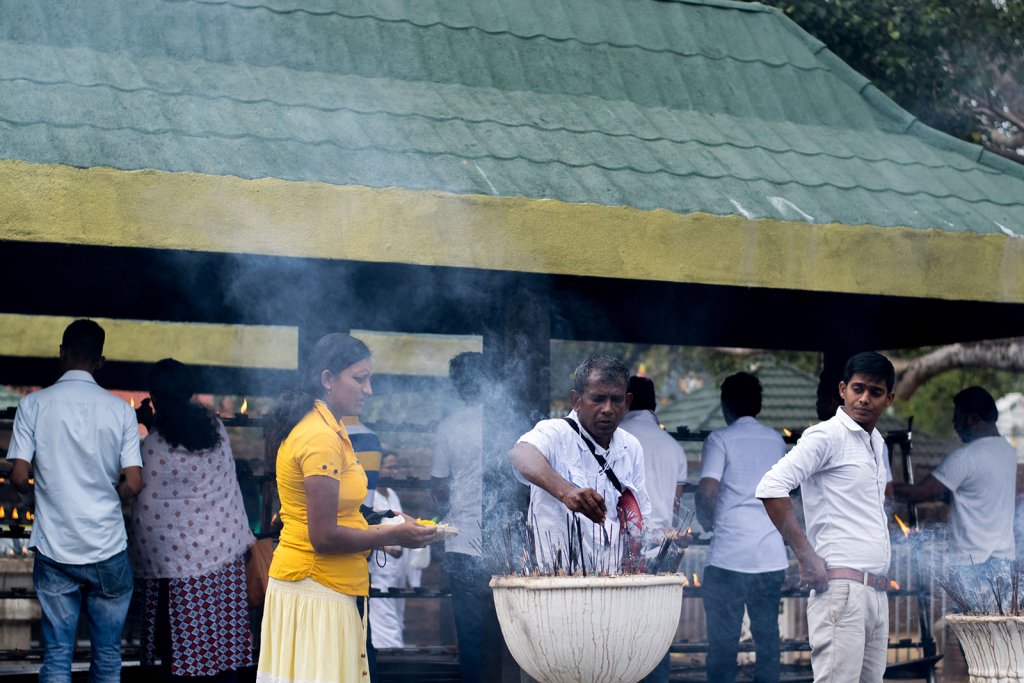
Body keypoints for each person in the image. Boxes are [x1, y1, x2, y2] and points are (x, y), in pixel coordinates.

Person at [257, 333, 435, 683]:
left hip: (318, 584)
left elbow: (339, 513)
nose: (368, 389)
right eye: (359, 378)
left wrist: (386, 523)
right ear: (327, 379)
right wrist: (393, 533)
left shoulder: (329, 427)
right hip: (316, 587)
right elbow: (323, 536)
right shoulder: (319, 437)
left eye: (370, 378)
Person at [8, 319, 143, 683]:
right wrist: (110, 497)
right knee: (108, 654)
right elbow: (134, 481)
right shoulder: (121, 411)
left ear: (61, 354)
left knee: (56, 657)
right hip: (108, 547)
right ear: (101, 362)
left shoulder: (33, 405)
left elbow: (19, 476)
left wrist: (39, 489)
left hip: (55, 549)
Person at [756, 352, 895, 683]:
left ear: (889, 399)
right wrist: (805, 555)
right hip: (841, 590)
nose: (864, 399)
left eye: (875, 392)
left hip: (876, 591)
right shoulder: (825, 436)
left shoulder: (877, 442)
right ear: (843, 389)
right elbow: (770, 487)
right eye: (858, 389)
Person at [128, 358, 255, 681]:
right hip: (225, 565)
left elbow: (148, 508)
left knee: (180, 657)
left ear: (154, 397)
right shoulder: (216, 430)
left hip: (175, 576)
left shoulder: (153, 447)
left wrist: (149, 426)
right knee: (224, 654)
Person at [509, 355, 651, 571]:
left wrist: (662, 538)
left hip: (612, 580)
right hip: (556, 580)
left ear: (627, 403)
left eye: (616, 400)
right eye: (597, 399)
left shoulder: (631, 447)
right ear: (576, 400)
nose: (607, 409)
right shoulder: (555, 432)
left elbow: (640, 517)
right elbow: (521, 453)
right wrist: (566, 492)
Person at [697, 372, 788, 683]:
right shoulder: (776, 440)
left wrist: (708, 523)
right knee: (768, 645)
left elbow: (708, 492)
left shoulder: (719, 439)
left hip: (729, 559)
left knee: (722, 648)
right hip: (770, 557)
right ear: (758, 404)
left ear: (726, 405)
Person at [893, 386, 1016, 566]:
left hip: (974, 563)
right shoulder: (1007, 452)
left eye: (957, 417)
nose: (953, 422)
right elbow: (980, 494)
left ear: (973, 419)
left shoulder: (965, 457)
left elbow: (920, 493)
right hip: (1004, 561)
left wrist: (886, 487)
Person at [618, 375, 687, 683]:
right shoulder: (673, 447)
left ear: (626, 400)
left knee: (619, 637)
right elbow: (675, 505)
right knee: (656, 634)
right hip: (662, 551)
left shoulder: (616, 439)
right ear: (655, 404)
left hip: (620, 551)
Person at [430, 352, 487, 683]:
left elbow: (439, 488)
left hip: (461, 539)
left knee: (470, 632)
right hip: (503, 545)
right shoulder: (508, 423)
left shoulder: (449, 427)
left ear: (458, 386)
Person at [368, 452, 411, 649]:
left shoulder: (392, 494)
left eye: (395, 468)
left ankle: (395, 651)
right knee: (382, 613)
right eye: (389, 467)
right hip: (379, 564)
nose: (393, 472)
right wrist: (386, 547)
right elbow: (360, 530)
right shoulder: (369, 497)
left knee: (397, 610)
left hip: (398, 567)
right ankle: (389, 654)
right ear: (377, 468)